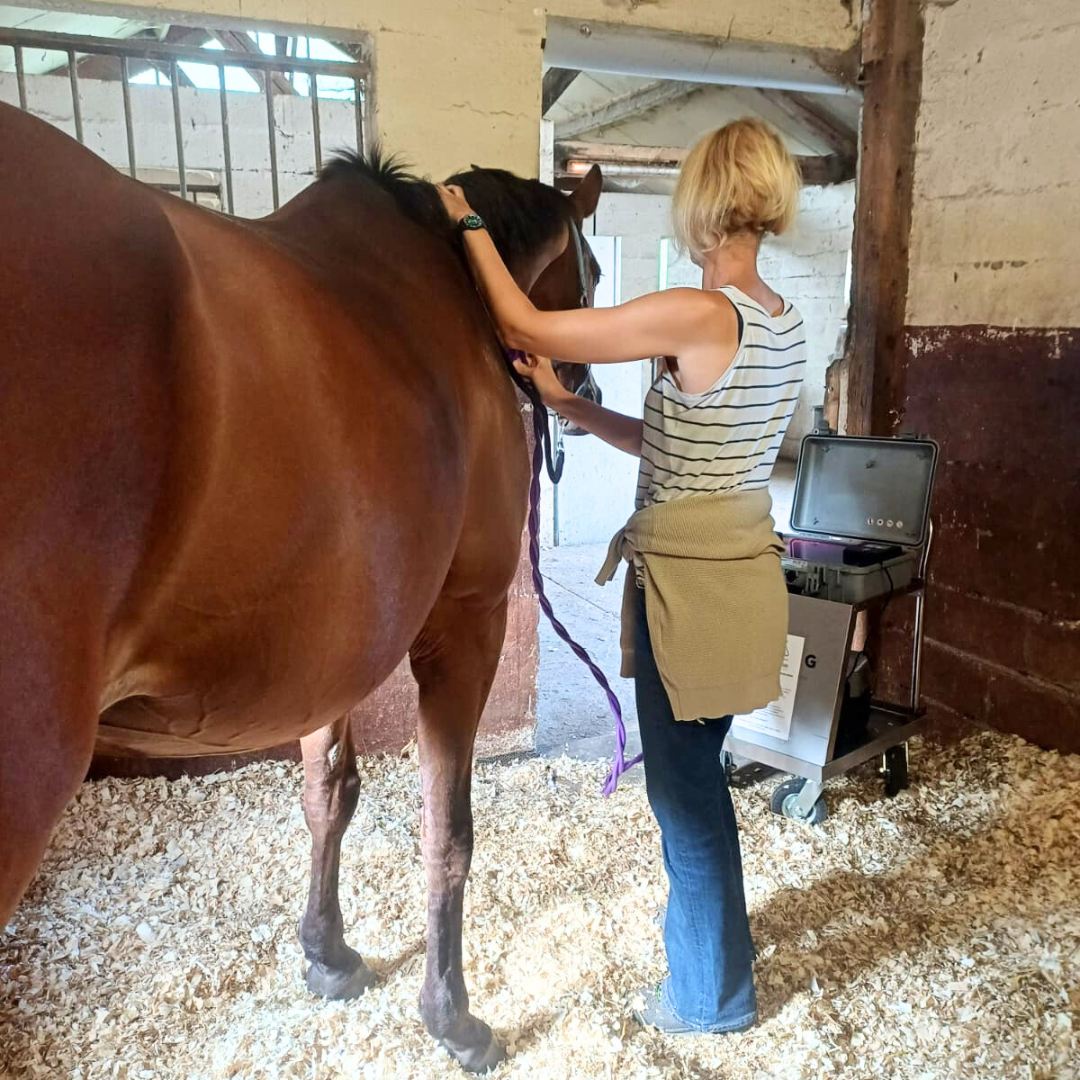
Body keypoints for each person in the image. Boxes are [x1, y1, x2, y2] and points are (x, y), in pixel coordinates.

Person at [437, 118, 805, 1035]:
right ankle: (705, 947)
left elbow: (524, 320)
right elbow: (679, 449)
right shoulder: (783, 324)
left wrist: (469, 221)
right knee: (696, 777)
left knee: (684, 794)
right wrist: (568, 407)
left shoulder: (699, 310)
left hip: (691, 586)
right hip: (738, 576)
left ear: (704, 202)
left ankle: (711, 997)